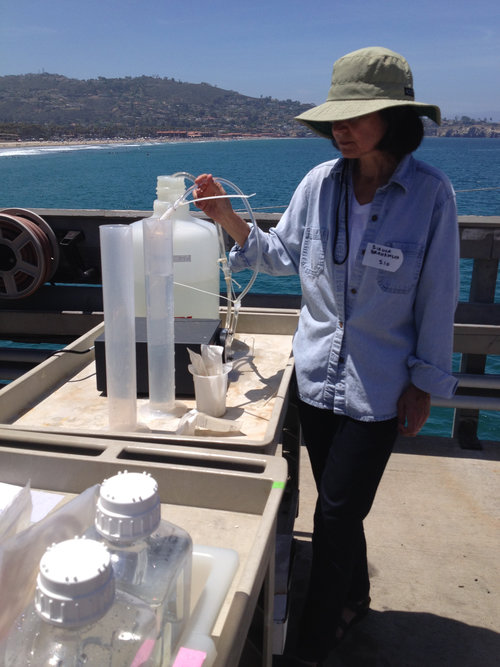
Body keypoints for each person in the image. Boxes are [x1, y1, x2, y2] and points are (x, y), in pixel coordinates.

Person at [194, 46, 459, 666]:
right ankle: (356, 594)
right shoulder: (318, 185)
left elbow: (438, 294)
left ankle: (311, 640)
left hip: (381, 386)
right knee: (343, 505)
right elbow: (282, 256)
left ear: (394, 117)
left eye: (356, 116)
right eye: (336, 117)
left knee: (336, 512)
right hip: (315, 378)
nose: (341, 128)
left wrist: (424, 381)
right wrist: (228, 219)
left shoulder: (432, 196)